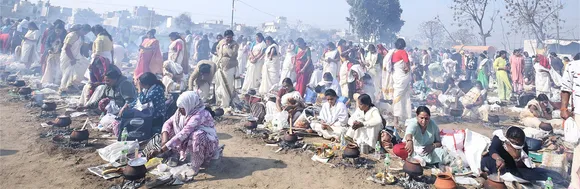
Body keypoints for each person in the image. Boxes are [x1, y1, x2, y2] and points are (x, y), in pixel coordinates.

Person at [148, 91, 220, 176]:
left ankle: (195, 166)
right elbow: (168, 123)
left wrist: (161, 149)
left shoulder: (199, 115)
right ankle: (175, 153)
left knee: (197, 136)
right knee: (171, 128)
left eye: (182, 108)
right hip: (188, 138)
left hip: (206, 143)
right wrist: (164, 141)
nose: (180, 111)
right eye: (179, 108)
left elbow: (183, 134)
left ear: (189, 104)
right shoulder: (181, 111)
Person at [481, 127, 569, 188]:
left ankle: (564, 182)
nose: (517, 146)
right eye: (514, 143)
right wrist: (498, 159)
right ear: (507, 140)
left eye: (519, 144)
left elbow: (522, 166)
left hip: (513, 167)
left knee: (550, 174)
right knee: (534, 177)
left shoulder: (523, 146)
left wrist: (517, 158)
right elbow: (493, 150)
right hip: (496, 164)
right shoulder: (500, 139)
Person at [382, 38, 412, 128]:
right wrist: (408, 68)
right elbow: (406, 63)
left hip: (396, 76)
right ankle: (396, 120)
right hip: (402, 77)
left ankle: (403, 118)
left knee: (402, 96)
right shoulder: (403, 52)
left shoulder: (393, 53)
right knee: (399, 98)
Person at [59, 24, 91, 93]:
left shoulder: (79, 36)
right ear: (81, 29)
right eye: (85, 32)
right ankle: (63, 89)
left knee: (83, 66)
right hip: (68, 56)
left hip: (75, 56)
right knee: (67, 72)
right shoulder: (72, 35)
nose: (85, 34)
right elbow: (67, 48)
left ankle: (70, 86)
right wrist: (72, 59)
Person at [214, 30, 239, 108]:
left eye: (231, 37)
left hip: (229, 67)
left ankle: (225, 103)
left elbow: (232, 54)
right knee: (219, 84)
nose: (229, 39)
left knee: (227, 85)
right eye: (228, 37)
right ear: (225, 37)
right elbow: (217, 47)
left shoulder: (234, 44)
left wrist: (227, 46)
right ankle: (219, 101)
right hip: (220, 66)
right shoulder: (222, 42)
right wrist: (219, 55)